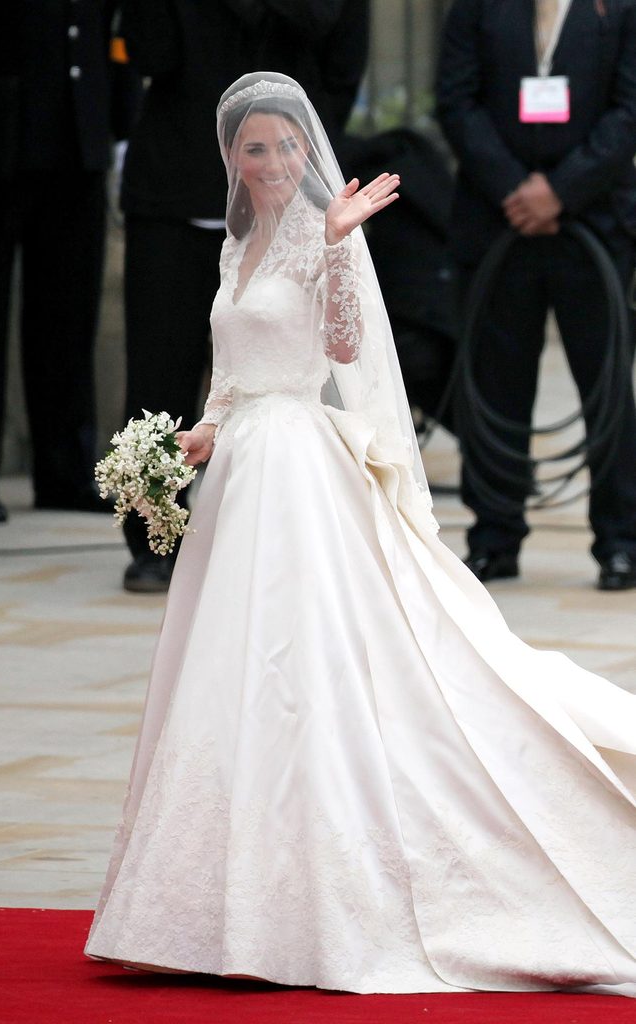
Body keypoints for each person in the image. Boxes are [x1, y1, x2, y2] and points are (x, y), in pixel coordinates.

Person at [85, 73, 636, 996]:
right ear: (231, 158)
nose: (270, 163)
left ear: (307, 152)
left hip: (299, 469)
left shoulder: (312, 234)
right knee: (224, 672)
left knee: (297, 669)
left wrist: (338, 247)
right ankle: (207, 902)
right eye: (253, 149)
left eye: (285, 147)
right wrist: (190, 438)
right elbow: (230, 374)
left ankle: (311, 897)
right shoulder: (237, 247)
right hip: (239, 472)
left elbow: (342, 349)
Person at [118, 0, 369, 593]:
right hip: (174, 190)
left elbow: (342, 62)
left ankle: (300, 532)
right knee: (160, 363)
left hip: (284, 191)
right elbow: (147, 50)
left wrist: (286, 158)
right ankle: (155, 529)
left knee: (289, 368)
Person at [436, 0, 636, 590]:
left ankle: (621, 541)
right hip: (498, 219)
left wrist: (562, 190)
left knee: (606, 390)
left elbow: (628, 110)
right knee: (497, 386)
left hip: (594, 222)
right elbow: (456, 99)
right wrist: (517, 189)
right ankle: (494, 537)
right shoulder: (477, 10)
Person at [0, 0, 139, 522]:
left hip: (77, 144)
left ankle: (64, 470)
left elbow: (118, 35)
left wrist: (123, 129)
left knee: (67, 317)